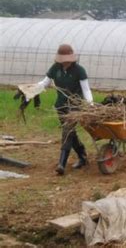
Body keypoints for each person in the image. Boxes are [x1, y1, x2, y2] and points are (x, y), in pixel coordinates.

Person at [35, 44, 93, 175]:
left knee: (67, 132)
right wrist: (30, 89)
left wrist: (91, 106)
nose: (66, 61)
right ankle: (83, 156)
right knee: (70, 133)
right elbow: (45, 83)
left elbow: (86, 90)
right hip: (60, 106)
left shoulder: (79, 70)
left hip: (75, 107)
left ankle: (61, 164)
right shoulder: (56, 68)